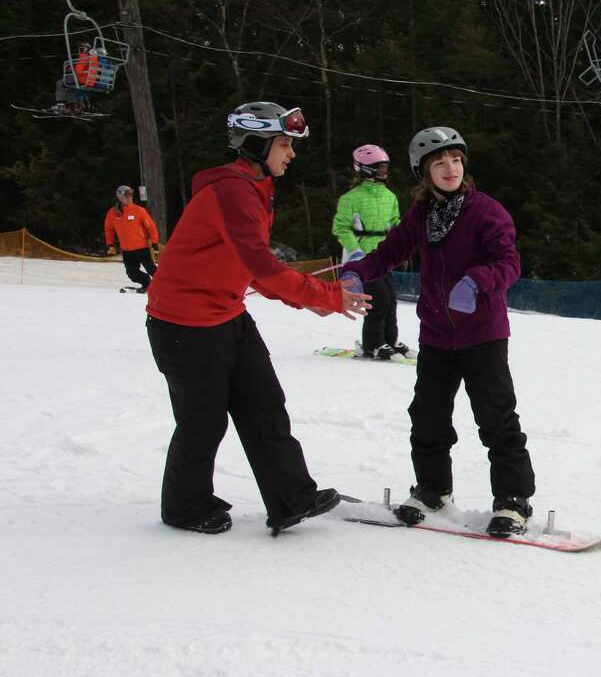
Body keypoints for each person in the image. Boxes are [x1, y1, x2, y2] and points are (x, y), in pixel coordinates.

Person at [145, 101, 372, 535]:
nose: (291, 153)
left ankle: (292, 497)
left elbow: (252, 268)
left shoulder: (253, 190)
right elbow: (264, 266)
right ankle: (184, 506)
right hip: (183, 325)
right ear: (256, 143)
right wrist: (324, 294)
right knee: (202, 420)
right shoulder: (231, 190)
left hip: (227, 314)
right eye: (284, 144)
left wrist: (315, 300)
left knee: (265, 406)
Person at [342, 126, 536, 538]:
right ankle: (433, 490)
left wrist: (478, 281)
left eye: (456, 160)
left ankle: (513, 500)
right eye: (439, 163)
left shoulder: (486, 211)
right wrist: (358, 271)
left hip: (482, 333)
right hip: (436, 335)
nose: (450, 169)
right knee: (427, 416)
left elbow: (509, 262)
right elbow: (391, 251)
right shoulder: (422, 215)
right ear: (424, 171)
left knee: (496, 418)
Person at [331, 144, 408, 360]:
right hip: (362, 258)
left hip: (384, 256)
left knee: (391, 299)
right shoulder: (351, 198)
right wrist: (355, 251)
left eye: (385, 167)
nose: (384, 171)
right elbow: (341, 227)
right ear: (365, 169)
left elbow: (395, 223)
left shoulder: (389, 196)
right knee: (379, 300)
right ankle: (372, 344)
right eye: (379, 167)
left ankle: (390, 341)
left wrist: (401, 244)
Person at [104, 185, 160, 292]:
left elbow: (151, 227)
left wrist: (154, 243)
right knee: (132, 274)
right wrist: (110, 244)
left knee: (152, 269)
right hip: (126, 250)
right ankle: (147, 284)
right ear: (120, 197)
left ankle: (166, 286)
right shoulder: (113, 213)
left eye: (131, 196)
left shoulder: (139, 210)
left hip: (142, 248)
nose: (130, 198)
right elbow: (109, 229)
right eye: (127, 196)